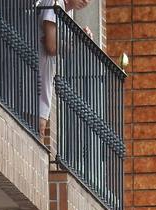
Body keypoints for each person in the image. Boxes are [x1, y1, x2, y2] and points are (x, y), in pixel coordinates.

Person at [38, 0, 92, 143]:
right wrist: (66, 44)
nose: (86, 1)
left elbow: (61, 47)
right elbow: (51, 46)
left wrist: (77, 39)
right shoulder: (55, 3)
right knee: (38, 127)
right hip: (34, 76)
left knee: (40, 127)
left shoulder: (68, 11)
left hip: (44, 77)